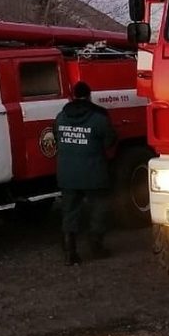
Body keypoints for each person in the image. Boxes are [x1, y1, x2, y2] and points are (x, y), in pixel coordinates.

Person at [54, 81, 116, 265]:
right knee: (99, 208)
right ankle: (96, 246)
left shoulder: (61, 117)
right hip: (93, 174)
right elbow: (109, 142)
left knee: (69, 211)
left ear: (73, 96)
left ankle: (69, 253)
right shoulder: (99, 118)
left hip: (67, 175)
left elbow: (57, 138)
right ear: (89, 96)